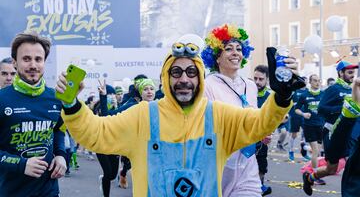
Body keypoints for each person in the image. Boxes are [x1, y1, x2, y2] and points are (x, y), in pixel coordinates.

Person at [56, 39, 304, 196]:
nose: (184, 79)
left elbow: (259, 123)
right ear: (166, 77)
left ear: (199, 78)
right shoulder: (143, 116)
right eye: (176, 72)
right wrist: (71, 104)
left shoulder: (218, 115)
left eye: (190, 72)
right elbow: (95, 133)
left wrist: (281, 98)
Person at [0, 32, 66, 196]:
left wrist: (61, 155)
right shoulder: (2, 99)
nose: (33, 65)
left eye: (38, 59)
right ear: (15, 63)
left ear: (44, 62)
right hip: (11, 191)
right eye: (26, 59)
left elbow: (58, 130)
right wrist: (20, 164)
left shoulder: (56, 98)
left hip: (49, 190)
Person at [202, 24, 262, 197]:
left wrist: (261, 131)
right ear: (217, 58)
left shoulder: (250, 86)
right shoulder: (207, 85)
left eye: (239, 49)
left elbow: (255, 118)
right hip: (218, 164)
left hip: (247, 163)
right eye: (228, 49)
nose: (236, 53)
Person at [302, 60, 358, 195]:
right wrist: (343, 109)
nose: (352, 75)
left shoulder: (354, 89)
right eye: (349, 72)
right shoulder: (334, 89)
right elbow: (321, 109)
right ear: (340, 73)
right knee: (331, 169)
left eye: (353, 73)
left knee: (352, 162)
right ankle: (309, 177)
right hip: (334, 131)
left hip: (351, 132)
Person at [295, 74, 325, 185]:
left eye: (319, 81)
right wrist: (303, 114)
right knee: (316, 152)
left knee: (319, 149)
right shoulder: (304, 95)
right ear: (310, 82)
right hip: (309, 125)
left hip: (321, 125)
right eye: (315, 81)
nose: (317, 83)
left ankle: (305, 147)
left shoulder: (323, 94)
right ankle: (315, 175)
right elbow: (296, 109)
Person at [96, 84, 120, 197]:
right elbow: (105, 115)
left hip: (115, 145)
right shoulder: (99, 107)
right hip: (101, 144)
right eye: (109, 94)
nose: (112, 96)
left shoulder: (119, 107)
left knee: (113, 175)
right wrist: (103, 97)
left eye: (112, 94)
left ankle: (104, 180)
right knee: (107, 172)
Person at [253, 65, 272, 196]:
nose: (257, 82)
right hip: (246, 137)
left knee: (261, 166)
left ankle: (259, 189)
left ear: (267, 80)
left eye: (261, 79)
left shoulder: (270, 97)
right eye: (255, 78)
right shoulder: (246, 92)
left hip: (263, 138)